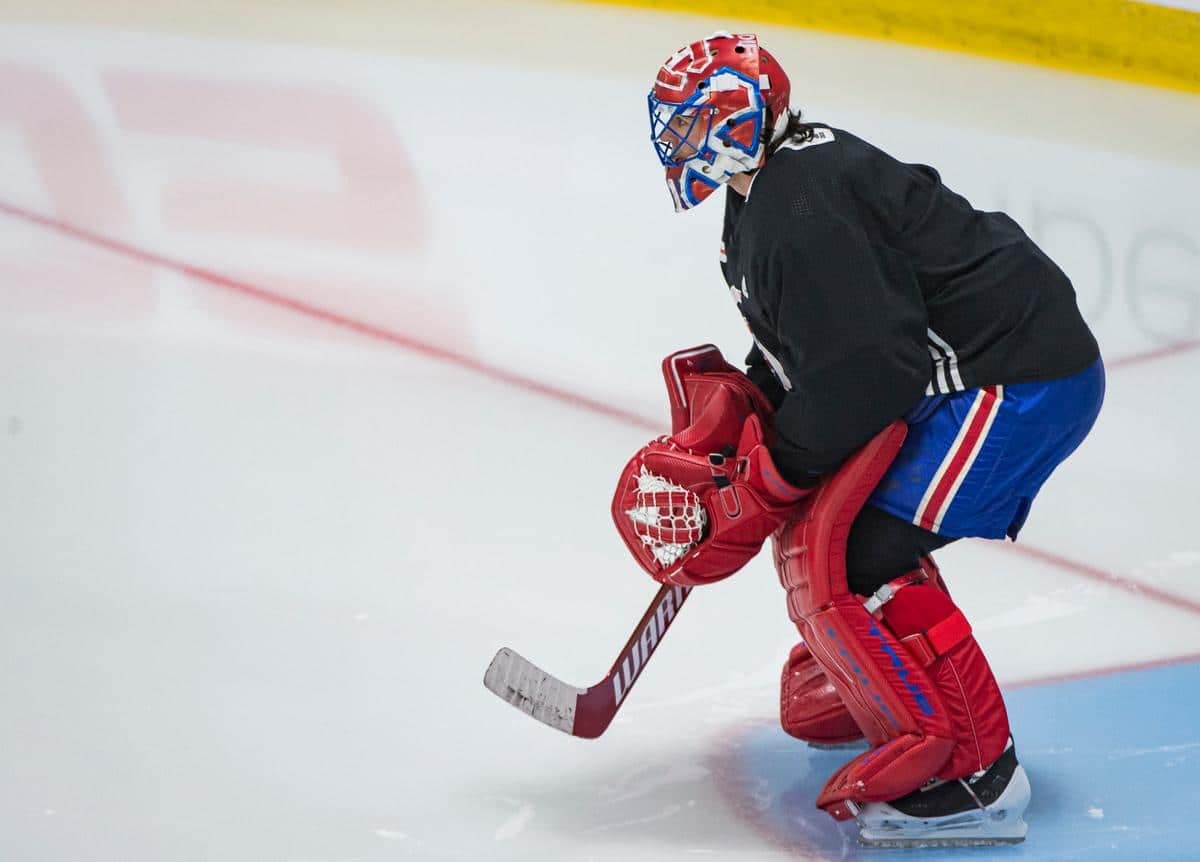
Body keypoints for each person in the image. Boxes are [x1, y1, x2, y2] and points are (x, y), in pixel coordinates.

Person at [613, 31, 1104, 846]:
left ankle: (976, 778)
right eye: (677, 127)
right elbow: (813, 346)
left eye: (697, 123)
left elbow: (871, 373)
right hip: (975, 370)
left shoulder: (799, 204)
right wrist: (753, 435)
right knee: (835, 536)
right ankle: (883, 685)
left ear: (742, 115)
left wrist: (769, 475)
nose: (682, 143)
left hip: (1018, 380)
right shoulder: (764, 191)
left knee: (860, 550)